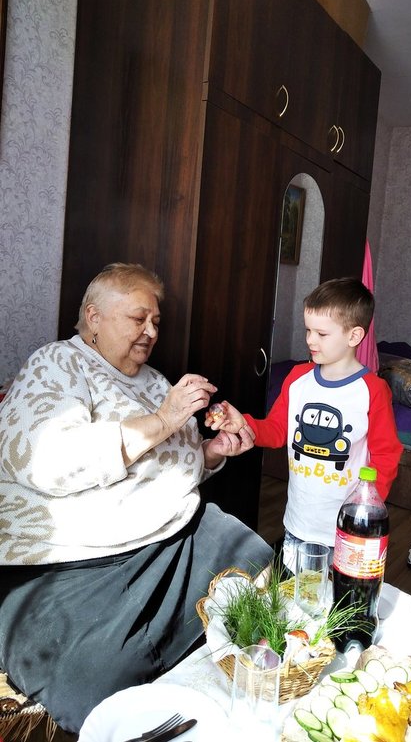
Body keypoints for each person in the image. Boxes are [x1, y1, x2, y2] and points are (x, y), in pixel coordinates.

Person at [0, 263, 273, 733]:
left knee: (261, 565)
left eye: (156, 322)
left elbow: (173, 466)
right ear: (94, 317)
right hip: (79, 557)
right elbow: (45, 461)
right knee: (91, 682)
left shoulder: (153, 381)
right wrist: (165, 420)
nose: (150, 332)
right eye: (138, 319)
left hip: (171, 533)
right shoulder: (57, 364)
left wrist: (210, 453)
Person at [207, 277, 403, 572]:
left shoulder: (372, 390)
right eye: (308, 330)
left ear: (354, 336)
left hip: (345, 532)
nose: (310, 340)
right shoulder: (298, 378)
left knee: (337, 610)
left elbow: (386, 456)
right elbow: (275, 432)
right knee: (294, 605)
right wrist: (241, 423)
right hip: (298, 525)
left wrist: (367, 512)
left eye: (322, 333)